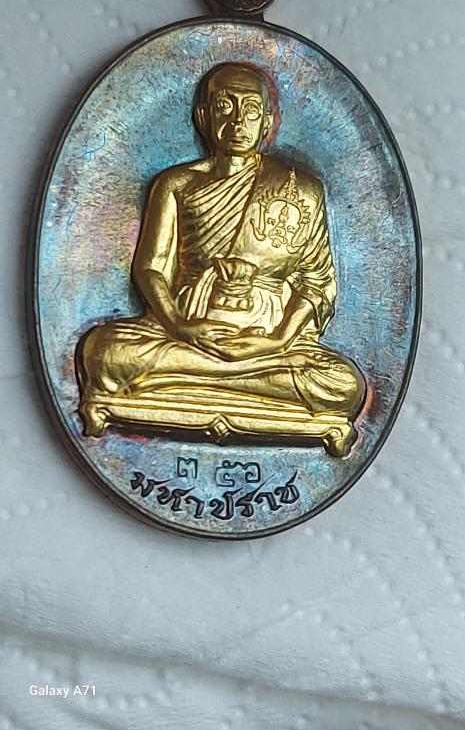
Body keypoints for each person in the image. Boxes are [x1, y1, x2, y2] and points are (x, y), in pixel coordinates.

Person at [77, 62, 366, 456]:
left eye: (251, 110)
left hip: (269, 338)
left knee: (343, 384)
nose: (238, 121)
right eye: (225, 107)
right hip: (187, 328)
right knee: (104, 352)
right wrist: (180, 326)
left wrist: (278, 340)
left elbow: (316, 281)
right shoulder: (176, 183)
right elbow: (151, 268)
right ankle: (243, 382)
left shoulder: (302, 190)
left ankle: (183, 381)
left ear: (267, 123)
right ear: (203, 117)